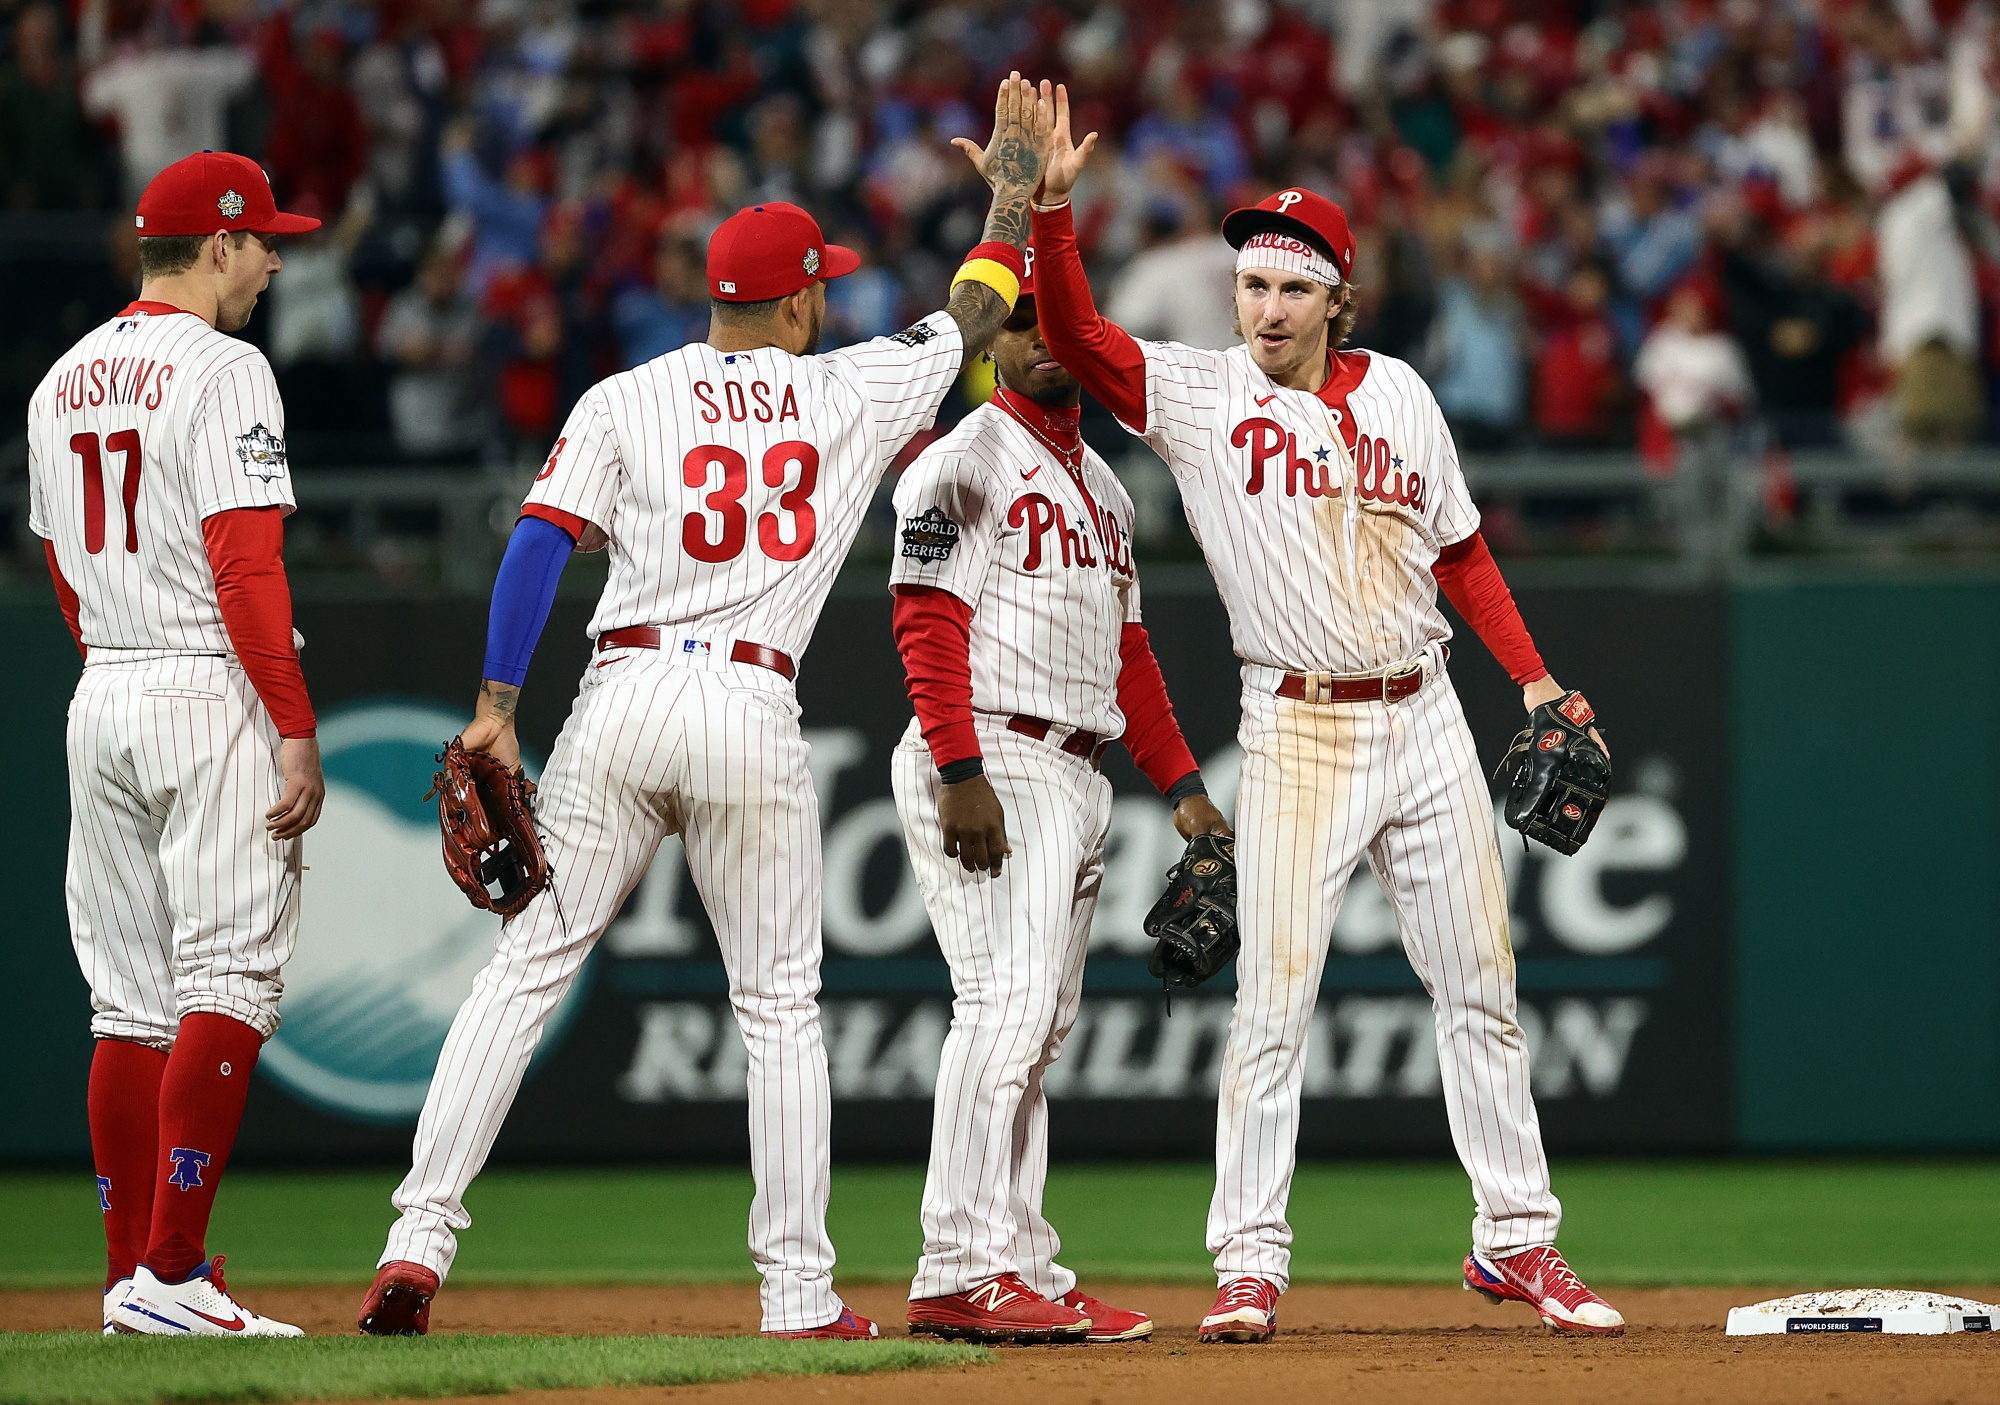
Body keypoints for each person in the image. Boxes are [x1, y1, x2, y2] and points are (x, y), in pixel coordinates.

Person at [357, 75, 1053, 1342]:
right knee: (778, 1008)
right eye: (819, 283)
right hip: (745, 698)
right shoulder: (850, 386)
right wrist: (1009, 186)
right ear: (796, 299)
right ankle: (795, 1291)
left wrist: (495, 705)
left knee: (523, 973)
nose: (826, 296)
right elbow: (976, 308)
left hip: (619, 690)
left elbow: (537, 542)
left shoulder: (624, 396)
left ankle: (416, 1244)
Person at [1027, 83, 1625, 1343]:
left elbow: (1458, 553)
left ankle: (1517, 1241)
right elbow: (1077, 338)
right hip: (1296, 726)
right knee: (1271, 1007)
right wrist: (1052, 213)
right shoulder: (1199, 395)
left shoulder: (1401, 394)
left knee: (1479, 986)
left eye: (1291, 288)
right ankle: (1246, 1261)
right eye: (1250, 285)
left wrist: (1531, 679)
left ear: (1336, 298)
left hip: (1424, 716)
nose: (1265, 308)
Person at [891, 248, 1230, 1345]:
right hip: (988, 753)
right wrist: (958, 769)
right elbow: (924, 620)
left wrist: (1179, 784)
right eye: (1019, 321)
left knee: (1037, 1026)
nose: (1039, 338)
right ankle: (956, 1262)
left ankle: (1016, 1255)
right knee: (1002, 1010)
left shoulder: (1105, 488)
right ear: (988, 338)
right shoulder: (960, 459)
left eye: (1056, 320)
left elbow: (1131, 655)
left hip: (1073, 766)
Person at [28, 151, 324, 1336]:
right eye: (261, 241)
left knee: (128, 1005)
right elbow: (247, 567)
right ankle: (176, 1269)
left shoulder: (59, 379)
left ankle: (129, 1279)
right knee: (230, 978)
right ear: (214, 245)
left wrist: (115, 653)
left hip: (102, 687)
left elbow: (58, 570)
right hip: (207, 686)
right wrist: (292, 727)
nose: (273, 260)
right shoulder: (226, 367)